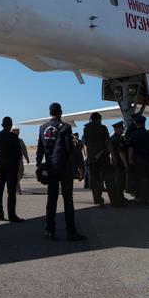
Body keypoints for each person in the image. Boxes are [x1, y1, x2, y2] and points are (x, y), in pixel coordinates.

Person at [36, 102, 85, 241]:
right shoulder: (66, 127)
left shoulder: (42, 127)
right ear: (61, 112)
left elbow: (40, 149)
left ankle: (49, 231)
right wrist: (77, 167)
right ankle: (71, 232)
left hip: (50, 168)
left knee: (51, 200)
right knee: (68, 200)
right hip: (64, 169)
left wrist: (40, 165)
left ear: (49, 112)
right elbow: (69, 149)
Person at [0, 117, 24, 222]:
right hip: (11, 167)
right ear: (10, 125)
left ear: (2, 124)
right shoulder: (14, 137)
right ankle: (12, 215)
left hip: (0, 166)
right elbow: (19, 153)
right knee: (11, 192)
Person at [83, 113, 116, 207]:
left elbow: (86, 143)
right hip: (103, 157)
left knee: (95, 180)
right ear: (98, 119)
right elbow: (107, 142)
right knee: (109, 179)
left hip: (92, 158)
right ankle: (114, 200)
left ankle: (97, 199)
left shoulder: (86, 129)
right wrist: (112, 155)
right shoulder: (103, 128)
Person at [125, 117, 149, 207]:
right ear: (144, 123)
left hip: (139, 160)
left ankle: (142, 199)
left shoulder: (134, 135)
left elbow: (131, 148)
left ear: (136, 123)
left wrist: (130, 159)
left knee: (140, 179)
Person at [15, 128, 30, 194]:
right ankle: (18, 190)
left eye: (19, 131)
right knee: (16, 175)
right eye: (17, 131)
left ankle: (15, 185)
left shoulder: (20, 140)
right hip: (12, 161)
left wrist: (27, 158)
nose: (19, 132)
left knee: (21, 173)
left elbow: (24, 149)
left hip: (20, 160)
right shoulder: (9, 139)